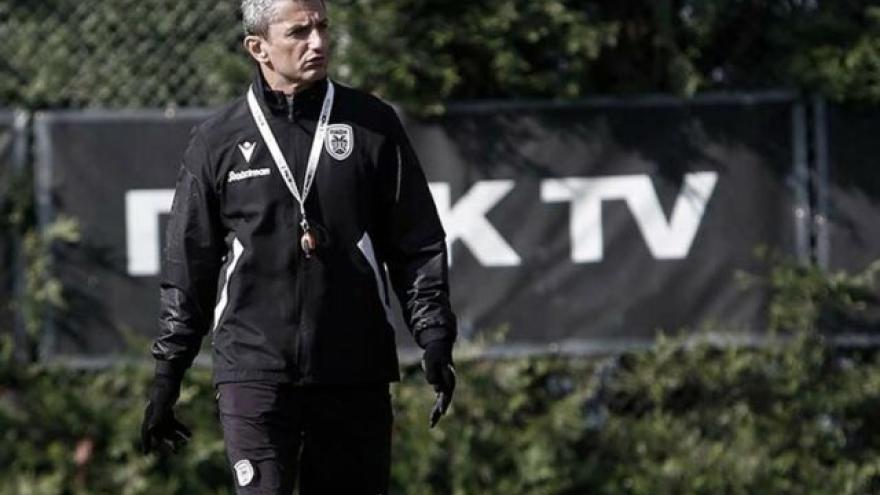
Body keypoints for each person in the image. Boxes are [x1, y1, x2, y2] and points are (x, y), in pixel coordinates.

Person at [139, 0, 457, 493]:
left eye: (322, 27)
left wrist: (434, 336)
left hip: (353, 367)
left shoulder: (371, 124)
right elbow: (188, 267)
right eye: (299, 32)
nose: (318, 42)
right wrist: (168, 375)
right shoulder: (216, 141)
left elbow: (416, 242)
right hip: (254, 369)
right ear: (258, 47)